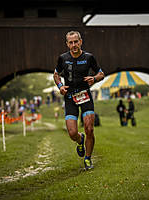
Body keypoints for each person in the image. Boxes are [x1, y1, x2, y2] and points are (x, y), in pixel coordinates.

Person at [53, 31, 105, 170]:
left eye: (76, 41)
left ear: (80, 42)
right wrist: (60, 86)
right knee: (72, 133)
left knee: (89, 128)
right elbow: (56, 74)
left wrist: (94, 78)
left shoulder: (89, 57)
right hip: (70, 97)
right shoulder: (63, 58)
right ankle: (80, 140)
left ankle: (88, 158)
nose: (74, 45)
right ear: (67, 44)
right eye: (71, 42)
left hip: (85, 96)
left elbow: (101, 73)